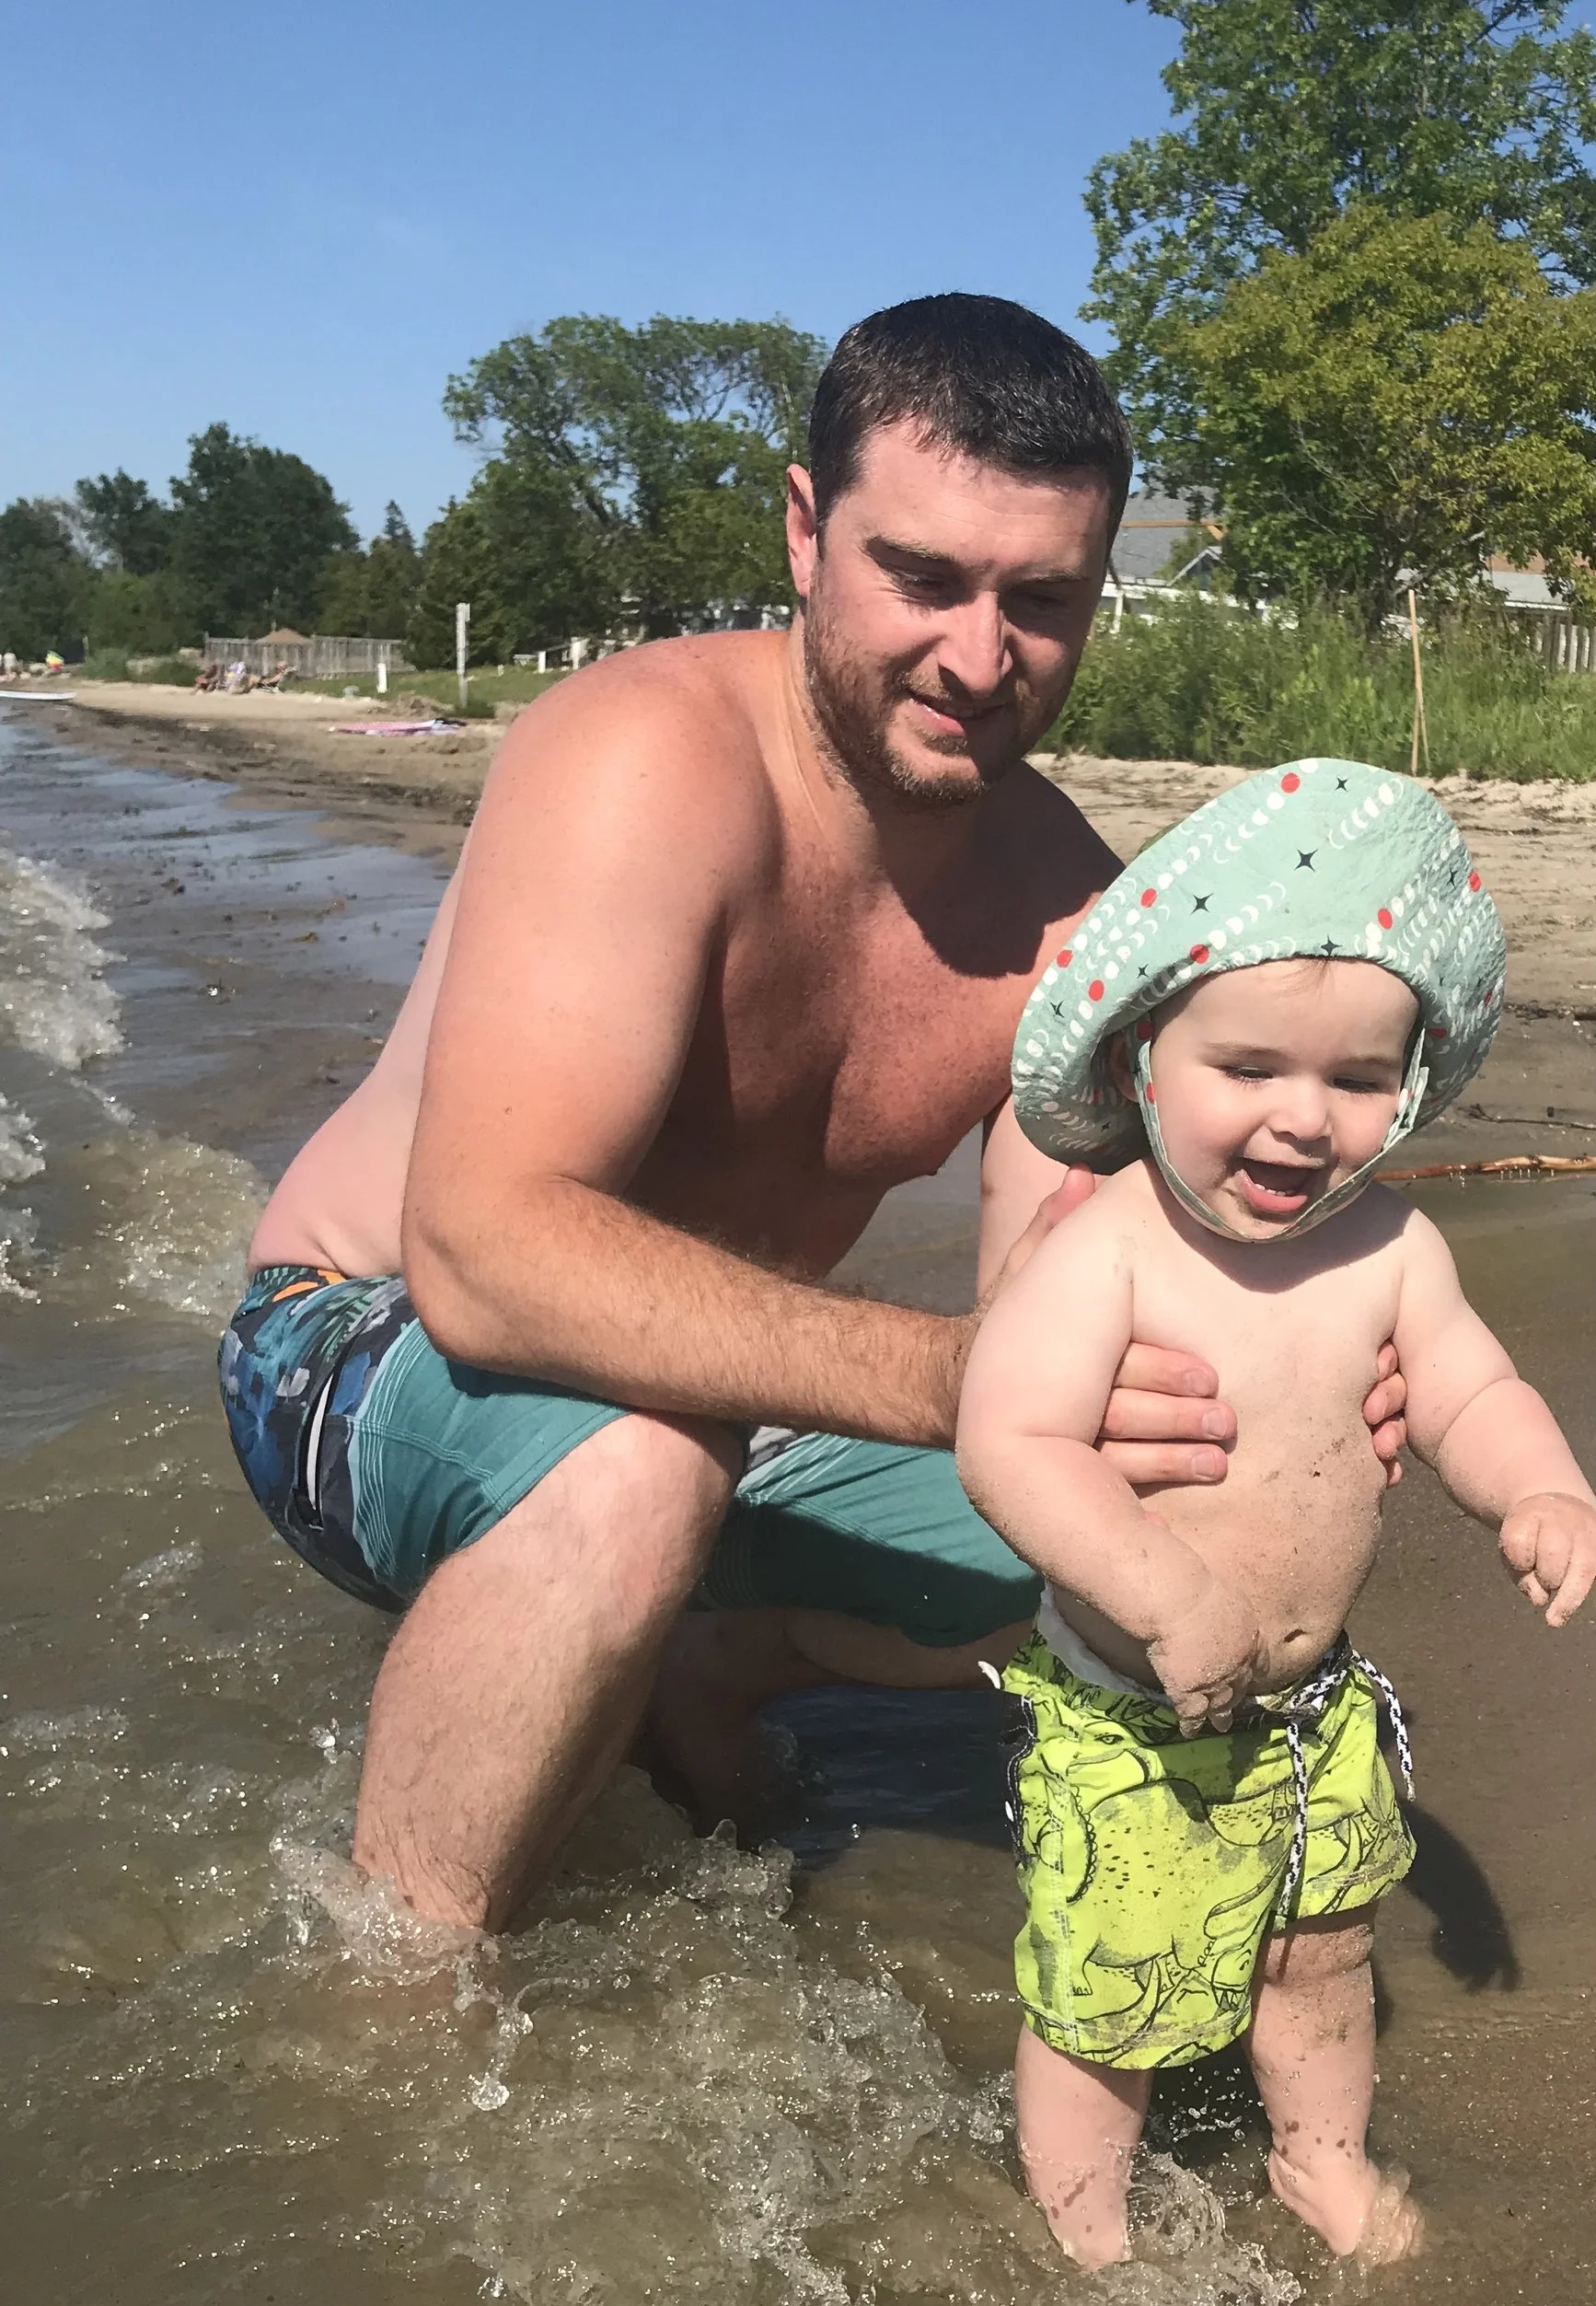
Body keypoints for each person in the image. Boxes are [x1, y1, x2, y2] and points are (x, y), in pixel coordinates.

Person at [218, 297, 1407, 1934]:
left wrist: (1303, 1377)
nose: (980, 661)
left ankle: (701, 1667)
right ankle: (404, 2022)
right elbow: (482, 1258)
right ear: (802, 531)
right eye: (921, 577)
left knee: (1173, 1489)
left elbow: (1075, 1302)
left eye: (1042, 602)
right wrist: (952, 1376)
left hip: (725, 1397)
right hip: (360, 1342)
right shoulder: (641, 760)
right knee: (642, 1472)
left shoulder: (1075, 919)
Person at [955, 762, 1596, 2268]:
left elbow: (1466, 1383)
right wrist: (1165, 1591)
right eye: (1247, 1069)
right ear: (1141, 1059)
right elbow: (1008, 1441)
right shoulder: (1109, 1249)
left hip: (1315, 1707)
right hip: (1132, 1713)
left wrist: (1541, 1486)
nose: (1302, 1121)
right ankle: (1087, 2228)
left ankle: (1320, 2157)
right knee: (1108, 1999)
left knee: (1325, 1955)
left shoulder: (1386, 1242)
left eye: (1353, 1079)